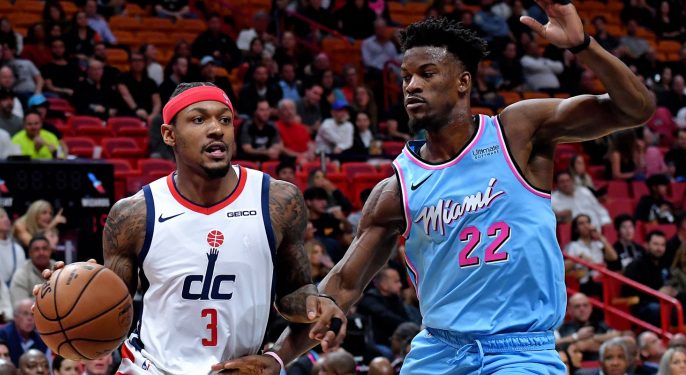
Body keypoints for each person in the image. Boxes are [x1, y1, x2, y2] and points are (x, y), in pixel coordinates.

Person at [215, 5, 657, 373]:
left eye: (427, 73)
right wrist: (275, 358)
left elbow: (635, 109)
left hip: (520, 351)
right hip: (439, 351)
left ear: (463, 82)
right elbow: (342, 287)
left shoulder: (517, 132)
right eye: (406, 76)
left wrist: (584, 46)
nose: (412, 85)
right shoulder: (396, 188)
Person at [35, 82, 345, 374]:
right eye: (199, 120)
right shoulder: (133, 214)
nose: (216, 129)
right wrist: (65, 297)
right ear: (169, 135)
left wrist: (314, 305)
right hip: (153, 368)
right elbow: (113, 310)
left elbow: (292, 293)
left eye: (225, 120)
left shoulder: (277, 200)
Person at [0, 299, 48, 368]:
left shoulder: (42, 340)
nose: (30, 318)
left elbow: (49, 369)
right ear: (15, 316)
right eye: (25, 314)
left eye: (32, 314)